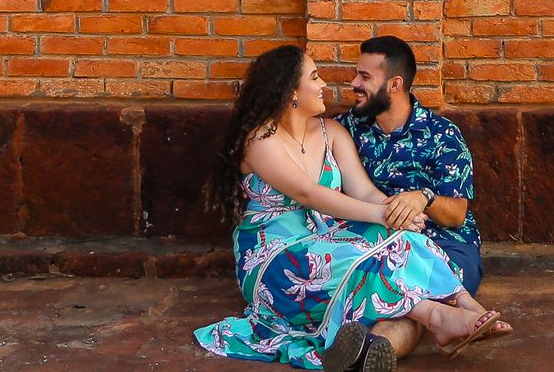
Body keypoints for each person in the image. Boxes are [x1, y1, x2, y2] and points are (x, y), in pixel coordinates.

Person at [195, 45, 507, 372]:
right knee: (366, 256)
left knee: (401, 237)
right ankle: (438, 316)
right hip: (274, 255)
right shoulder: (260, 139)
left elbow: (365, 192)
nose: (325, 85)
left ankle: (462, 304)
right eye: (314, 77)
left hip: (327, 239)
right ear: (291, 93)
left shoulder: (333, 131)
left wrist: (399, 213)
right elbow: (309, 193)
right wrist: (381, 215)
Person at [342, 36, 486, 297]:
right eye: (356, 75)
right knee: (377, 282)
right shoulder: (347, 128)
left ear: (394, 84)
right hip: (374, 237)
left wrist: (424, 199)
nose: (354, 84)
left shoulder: (441, 135)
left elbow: (457, 214)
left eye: (364, 77)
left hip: (443, 240)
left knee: (428, 285)